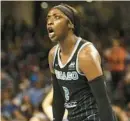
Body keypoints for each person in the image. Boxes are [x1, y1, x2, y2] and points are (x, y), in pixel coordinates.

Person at [47, 3, 116, 121]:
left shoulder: (86, 55)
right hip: (72, 117)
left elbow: (103, 100)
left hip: (93, 116)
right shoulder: (53, 55)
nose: (50, 22)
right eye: (48, 17)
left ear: (70, 24)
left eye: (57, 17)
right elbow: (58, 97)